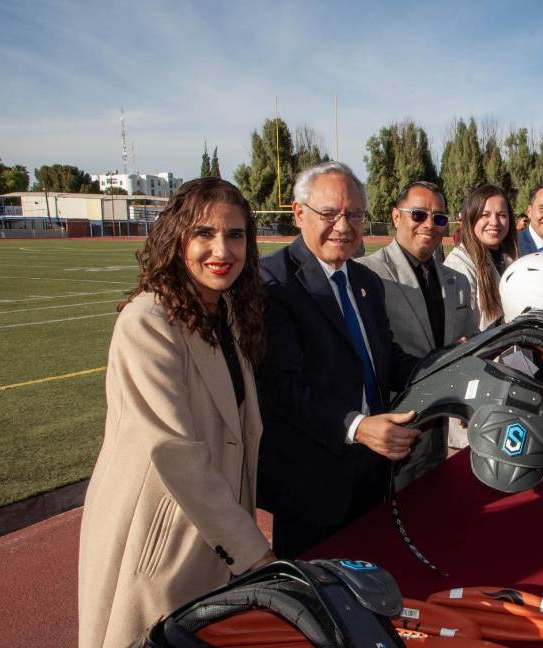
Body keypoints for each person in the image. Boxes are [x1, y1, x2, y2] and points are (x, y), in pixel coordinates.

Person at [78, 178, 275, 648]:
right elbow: (175, 451)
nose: (221, 249)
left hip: (212, 533)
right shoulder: (147, 321)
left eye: (235, 235)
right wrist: (252, 552)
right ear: (176, 238)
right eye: (203, 234)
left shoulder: (225, 312)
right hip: (160, 538)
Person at [257, 162, 420, 559]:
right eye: (329, 213)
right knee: (318, 604)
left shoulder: (366, 282)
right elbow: (282, 387)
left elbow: (386, 359)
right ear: (299, 213)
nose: (343, 226)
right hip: (313, 485)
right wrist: (358, 427)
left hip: (375, 470)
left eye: (354, 214)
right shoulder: (272, 283)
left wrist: (449, 367)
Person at [360, 180, 479, 487]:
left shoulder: (457, 282)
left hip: (437, 435)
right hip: (390, 435)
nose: (429, 224)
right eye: (418, 214)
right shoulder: (365, 275)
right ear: (396, 217)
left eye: (439, 218)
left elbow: (470, 346)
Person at [444, 184, 519, 331]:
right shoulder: (458, 266)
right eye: (485, 215)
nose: (495, 222)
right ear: (471, 218)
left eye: (502, 215)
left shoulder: (510, 259)